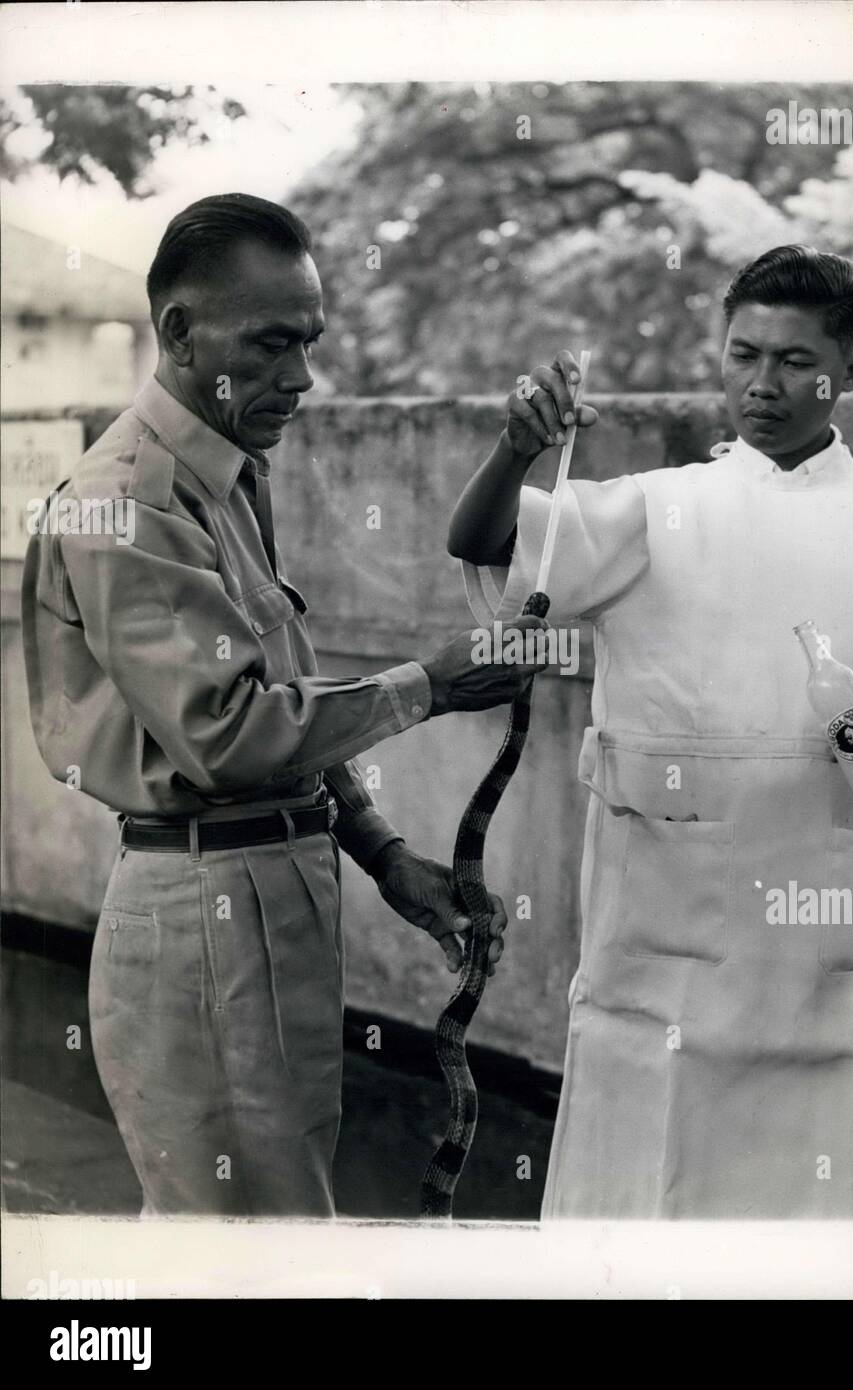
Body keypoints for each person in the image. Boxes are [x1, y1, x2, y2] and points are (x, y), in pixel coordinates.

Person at [448, 245, 853, 1220]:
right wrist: (516, 446)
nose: (763, 384)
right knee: (651, 1190)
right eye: (742, 353)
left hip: (835, 944)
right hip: (668, 945)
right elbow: (481, 542)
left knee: (832, 1201)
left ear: (849, 367)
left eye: (796, 360)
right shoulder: (654, 508)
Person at [21, 192, 550, 1218]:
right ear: (177, 331)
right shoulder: (128, 500)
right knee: (238, 1248)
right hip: (208, 906)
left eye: (308, 341)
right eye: (270, 344)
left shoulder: (225, 476)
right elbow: (226, 733)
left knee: (272, 1223)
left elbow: (277, 699)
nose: (300, 377)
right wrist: (431, 685)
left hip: (268, 889)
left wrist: (388, 856)